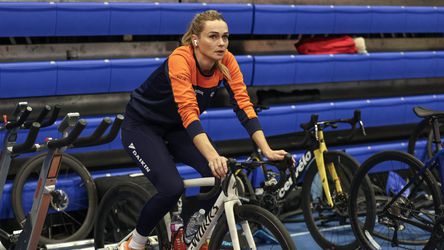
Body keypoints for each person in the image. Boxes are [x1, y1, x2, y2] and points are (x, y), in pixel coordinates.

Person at [119, 10, 290, 249]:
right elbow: (188, 112)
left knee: (220, 177)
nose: (221, 43)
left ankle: (189, 233)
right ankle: (134, 243)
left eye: (225, 37)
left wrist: (267, 149)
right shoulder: (181, 58)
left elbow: (243, 105)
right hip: (142, 126)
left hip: (177, 129)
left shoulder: (227, 61)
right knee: (172, 187)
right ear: (196, 39)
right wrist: (212, 156)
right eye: (213, 36)